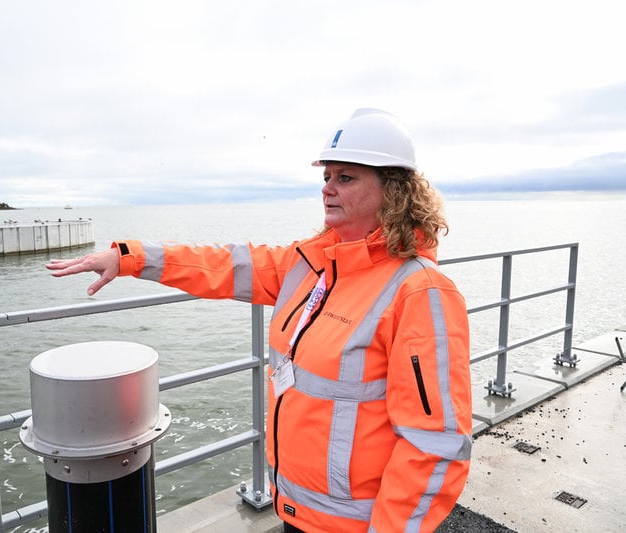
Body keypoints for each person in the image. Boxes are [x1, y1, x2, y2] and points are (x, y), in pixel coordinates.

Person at [46, 108, 472, 533]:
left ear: (393, 190)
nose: (328, 188)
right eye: (326, 177)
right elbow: (222, 265)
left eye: (346, 177)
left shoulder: (420, 293)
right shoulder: (310, 264)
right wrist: (129, 258)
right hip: (292, 509)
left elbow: (433, 444)